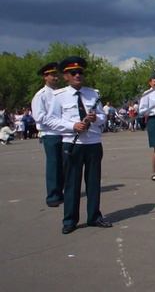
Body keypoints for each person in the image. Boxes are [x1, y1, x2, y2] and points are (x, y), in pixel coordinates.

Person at [45, 56, 111, 234]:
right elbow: (50, 119)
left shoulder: (93, 93)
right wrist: (72, 126)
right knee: (72, 183)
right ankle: (70, 220)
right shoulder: (58, 96)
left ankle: (94, 216)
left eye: (80, 72)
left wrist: (96, 118)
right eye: (73, 72)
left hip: (93, 143)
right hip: (72, 143)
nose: (77, 75)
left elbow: (103, 118)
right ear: (65, 76)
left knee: (93, 182)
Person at [31, 62, 65, 207]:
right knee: (53, 164)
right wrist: (58, 123)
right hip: (50, 133)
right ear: (45, 77)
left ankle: (60, 192)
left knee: (63, 164)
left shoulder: (59, 93)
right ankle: (52, 196)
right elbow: (39, 117)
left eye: (56, 75)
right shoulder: (41, 95)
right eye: (52, 75)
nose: (55, 77)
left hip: (63, 132)